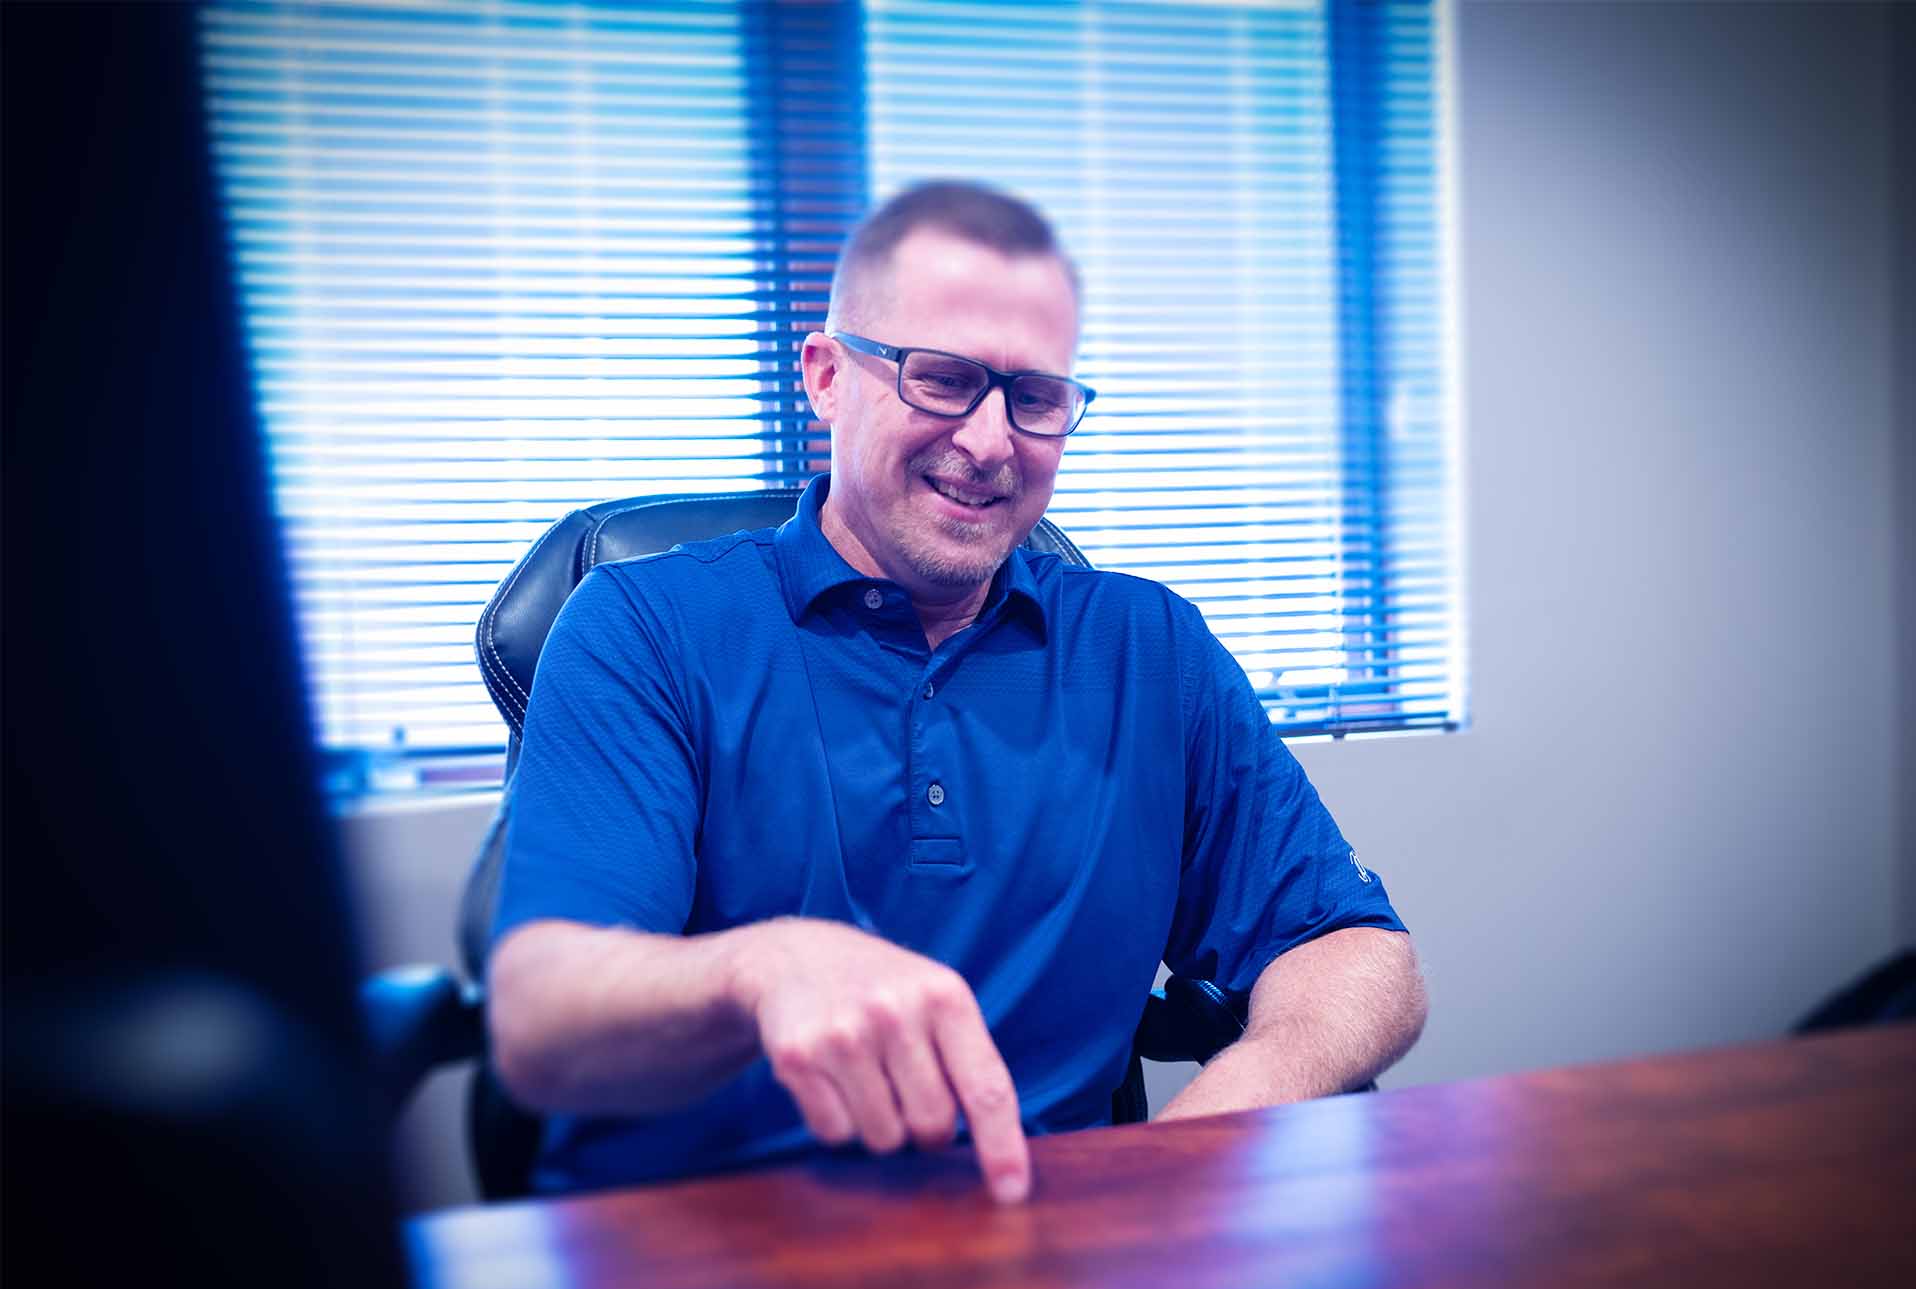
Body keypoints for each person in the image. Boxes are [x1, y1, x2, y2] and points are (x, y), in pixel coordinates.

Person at [488, 181, 1428, 1204]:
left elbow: (1355, 950)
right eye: (941, 379)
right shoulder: (642, 626)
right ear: (827, 378)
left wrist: (1206, 1130)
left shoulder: (1147, 647)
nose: (989, 442)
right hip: (699, 1258)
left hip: (1052, 1255)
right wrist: (762, 971)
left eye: (1034, 398)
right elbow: (542, 1020)